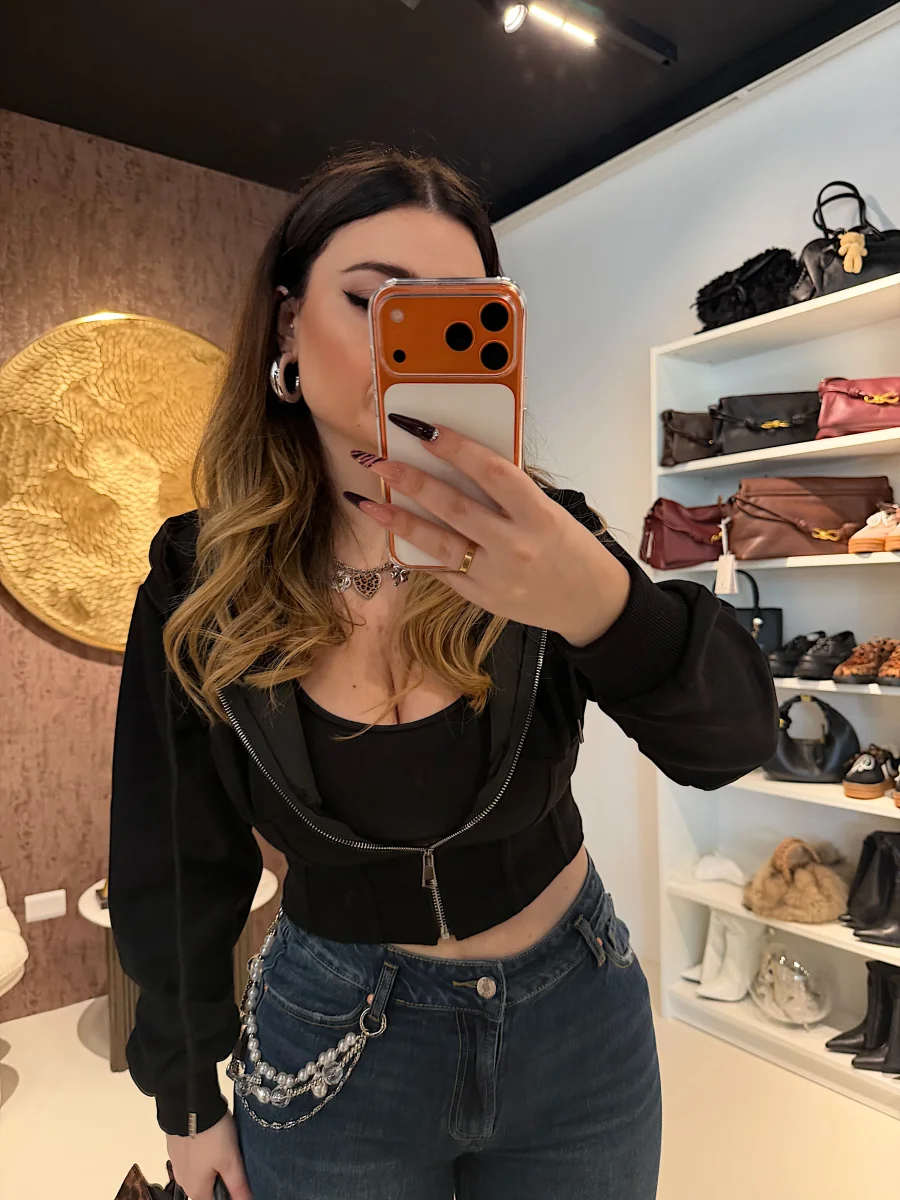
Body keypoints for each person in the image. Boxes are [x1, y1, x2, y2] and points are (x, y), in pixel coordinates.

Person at [108, 148, 777, 1200]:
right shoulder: (201, 578)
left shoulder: (547, 541)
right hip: (331, 1038)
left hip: (577, 1017)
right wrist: (186, 1097)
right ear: (286, 328)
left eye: (458, 316)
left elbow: (732, 743)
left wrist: (601, 602)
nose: (407, 347)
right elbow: (176, 854)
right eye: (371, 302)